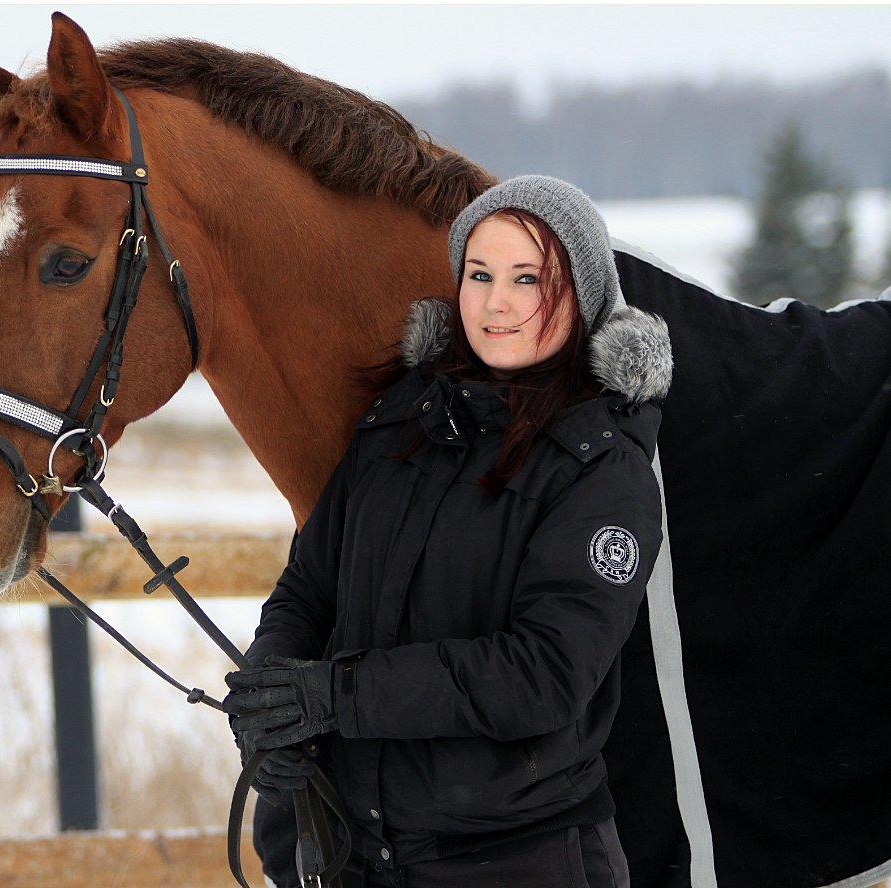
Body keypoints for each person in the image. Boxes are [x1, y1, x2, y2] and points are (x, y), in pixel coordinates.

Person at [224, 174, 674, 888]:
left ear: (583, 295)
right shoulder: (400, 423)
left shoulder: (600, 469)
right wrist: (272, 706)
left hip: (513, 862)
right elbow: (310, 586)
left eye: (528, 279)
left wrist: (334, 696)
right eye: (479, 274)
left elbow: (543, 674)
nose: (497, 303)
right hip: (352, 852)